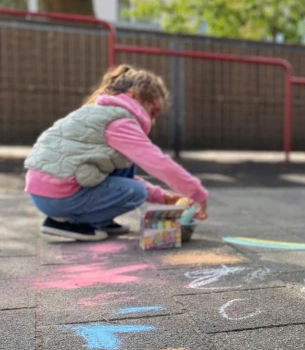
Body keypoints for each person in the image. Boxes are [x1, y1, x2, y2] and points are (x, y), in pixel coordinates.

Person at [25, 65, 208, 241]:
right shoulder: (121, 120)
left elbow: (118, 176)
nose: (153, 120)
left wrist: (162, 196)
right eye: (154, 111)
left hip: (45, 190)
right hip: (59, 195)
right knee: (136, 193)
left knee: (124, 166)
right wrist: (197, 193)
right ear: (134, 95)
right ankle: (74, 223)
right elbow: (159, 164)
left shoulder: (99, 112)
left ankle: (101, 221)